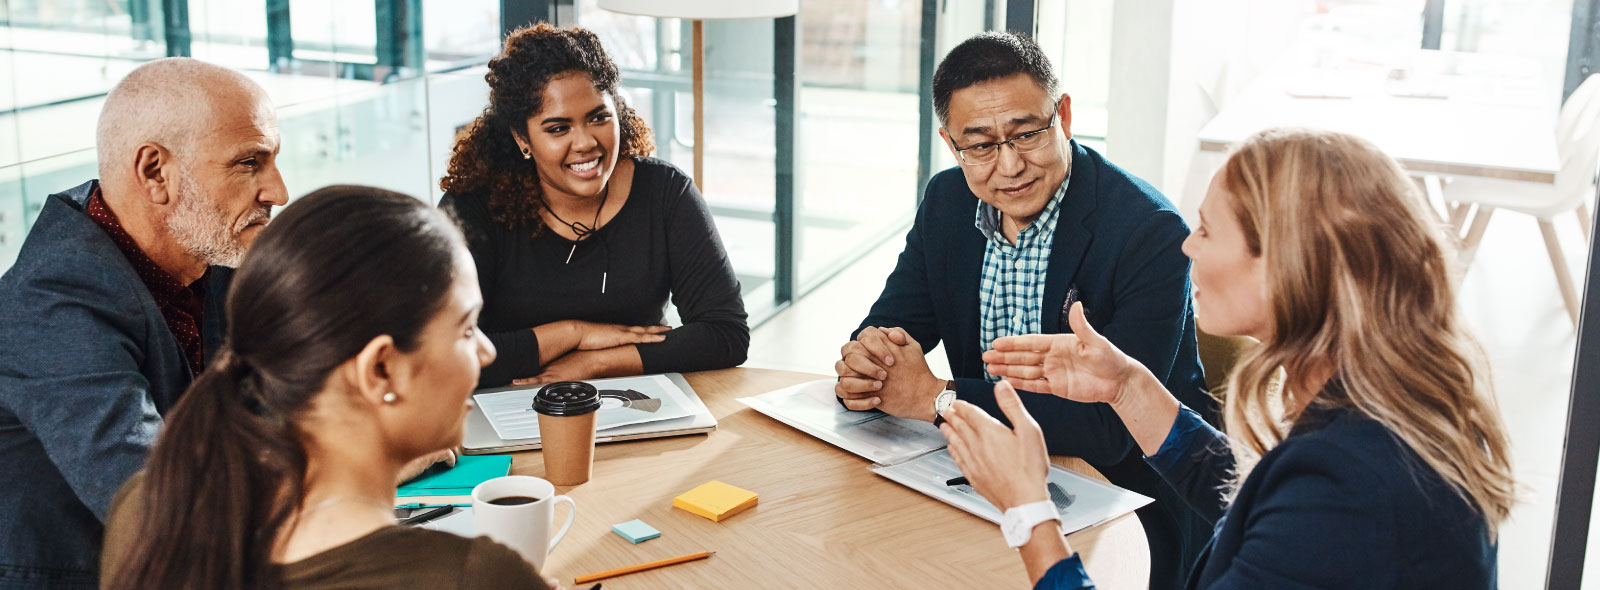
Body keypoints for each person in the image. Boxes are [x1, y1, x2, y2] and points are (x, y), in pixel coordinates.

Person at [944, 128, 1515, 588]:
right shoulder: (1379, 404)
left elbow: (1304, 507)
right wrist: (1128, 388)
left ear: (1286, 266)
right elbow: (1260, 500)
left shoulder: (1350, 490)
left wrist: (1029, 511)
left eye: (1208, 231)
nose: (1188, 245)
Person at [832, 32, 1211, 589]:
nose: (1009, 165)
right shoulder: (948, 200)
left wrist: (932, 397)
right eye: (980, 145)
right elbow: (893, 326)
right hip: (973, 476)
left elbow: (1111, 429)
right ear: (950, 141)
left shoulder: (1148, 231)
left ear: (1064, 115)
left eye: (1027, 134)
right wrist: (868, 361)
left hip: (1125, 497)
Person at [100, 186, 560, 590]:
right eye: (465, 329)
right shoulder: (474, 577)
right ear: (379, 369)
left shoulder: (146, 506)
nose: (487, 352)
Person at [0, 57, 289, 588]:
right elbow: (158, 503)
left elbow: (282, 400)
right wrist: (344, 475)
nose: (278, 191)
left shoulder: (213, 253)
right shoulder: (51, 304)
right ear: (156, 172)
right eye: (249, 163)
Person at [440, 23, 749, 388]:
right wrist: (573, 334)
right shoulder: (471, 209)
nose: (586, 143)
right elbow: (442, 354)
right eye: (558, 128)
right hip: (507, 409)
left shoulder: (665, 192)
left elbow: (726, 335)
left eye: (599, 118)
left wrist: (596, 364)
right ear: (522, 138)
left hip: (639, 404)